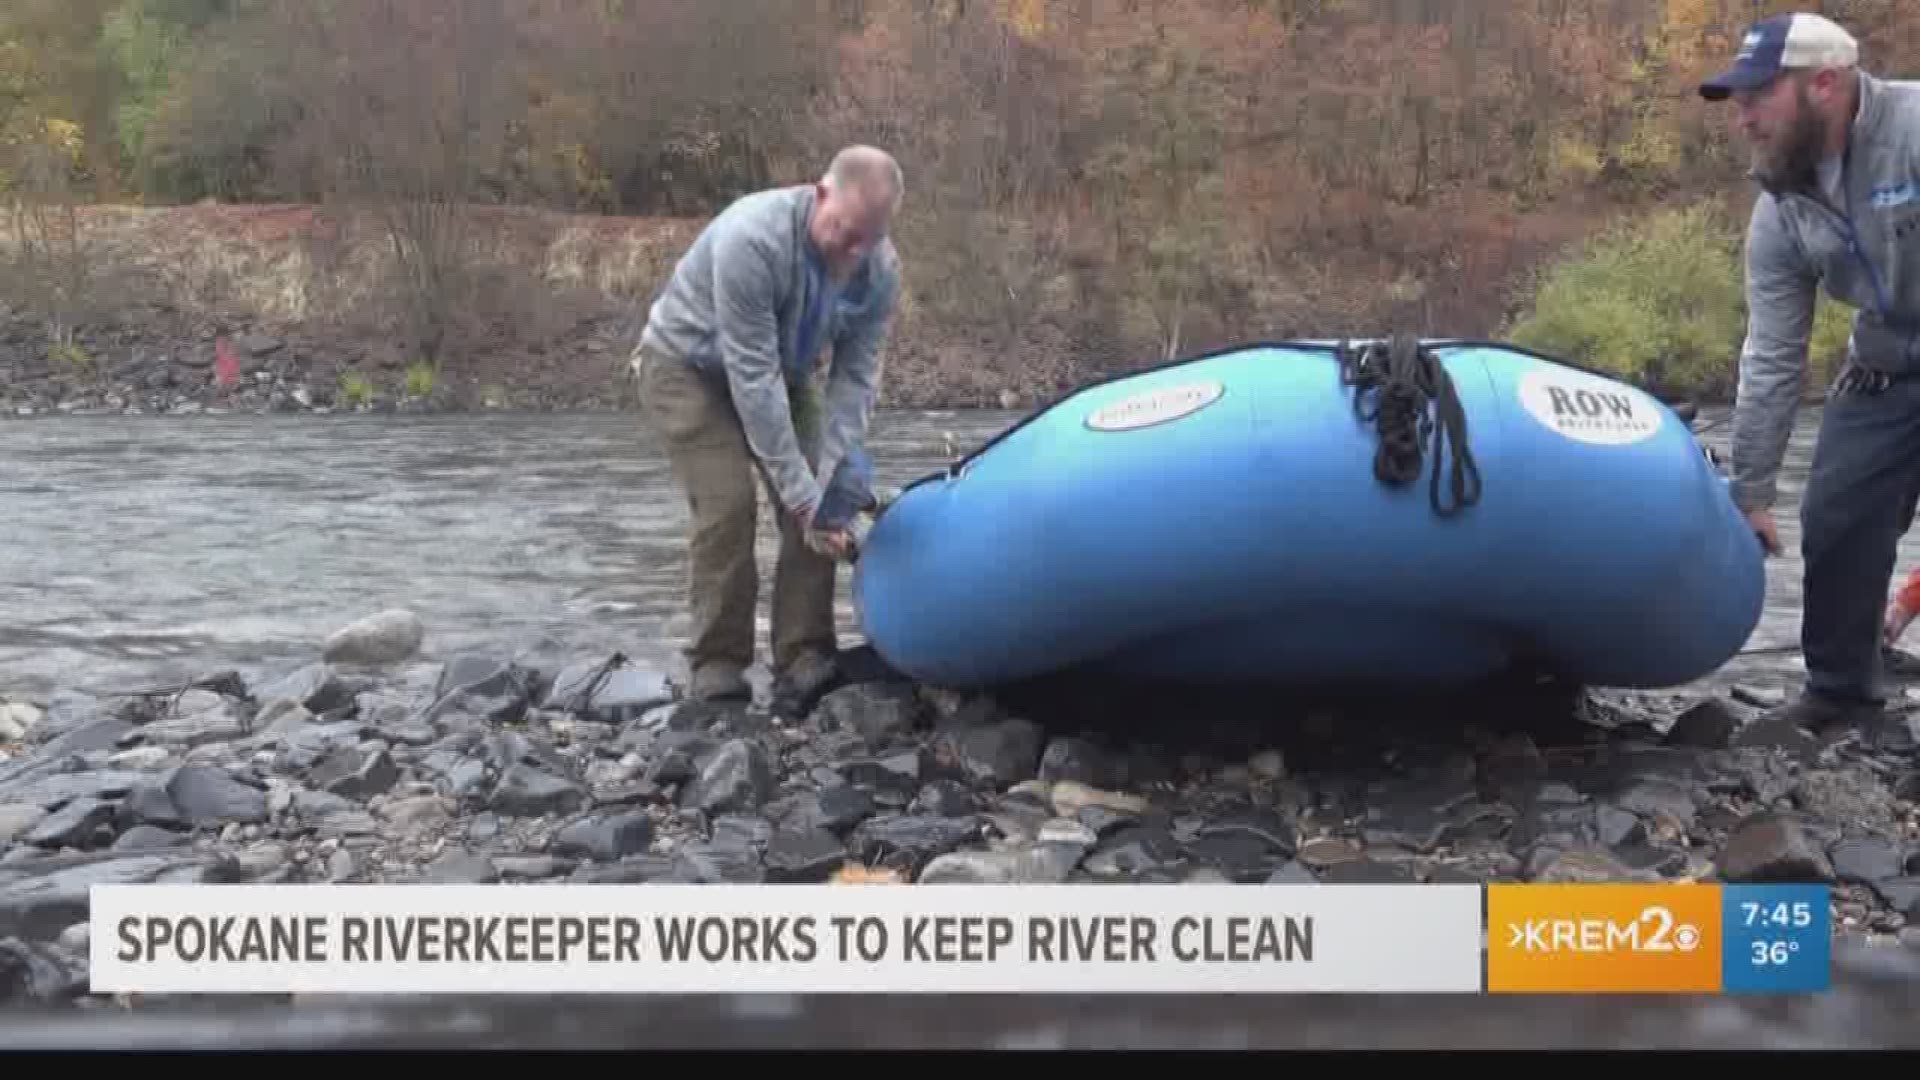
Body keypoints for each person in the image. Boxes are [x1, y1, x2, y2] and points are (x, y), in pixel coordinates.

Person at [1700, 12, 1920, 729]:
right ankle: (1842, 694)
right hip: (1884, 362)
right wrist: (1753, 489)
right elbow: (1770, 355)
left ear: (1824, 84)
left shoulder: (1912, 129)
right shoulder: (1781, 207)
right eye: (1737, 101)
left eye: (1758, 96)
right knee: (1834, 515)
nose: (1744, 118)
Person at [631, 146, 903, 704]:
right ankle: (717, 661)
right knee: (730, 504)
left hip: (784, 370)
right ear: (819, 194)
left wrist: (826, 482)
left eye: (866, 241)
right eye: (843, 232)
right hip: (686, 367)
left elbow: (855, 382)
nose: (850, 253)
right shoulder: (751, 238)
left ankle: (803, 651)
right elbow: (752, 381)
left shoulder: (880, 271)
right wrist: (800, 494)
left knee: (826, 496)